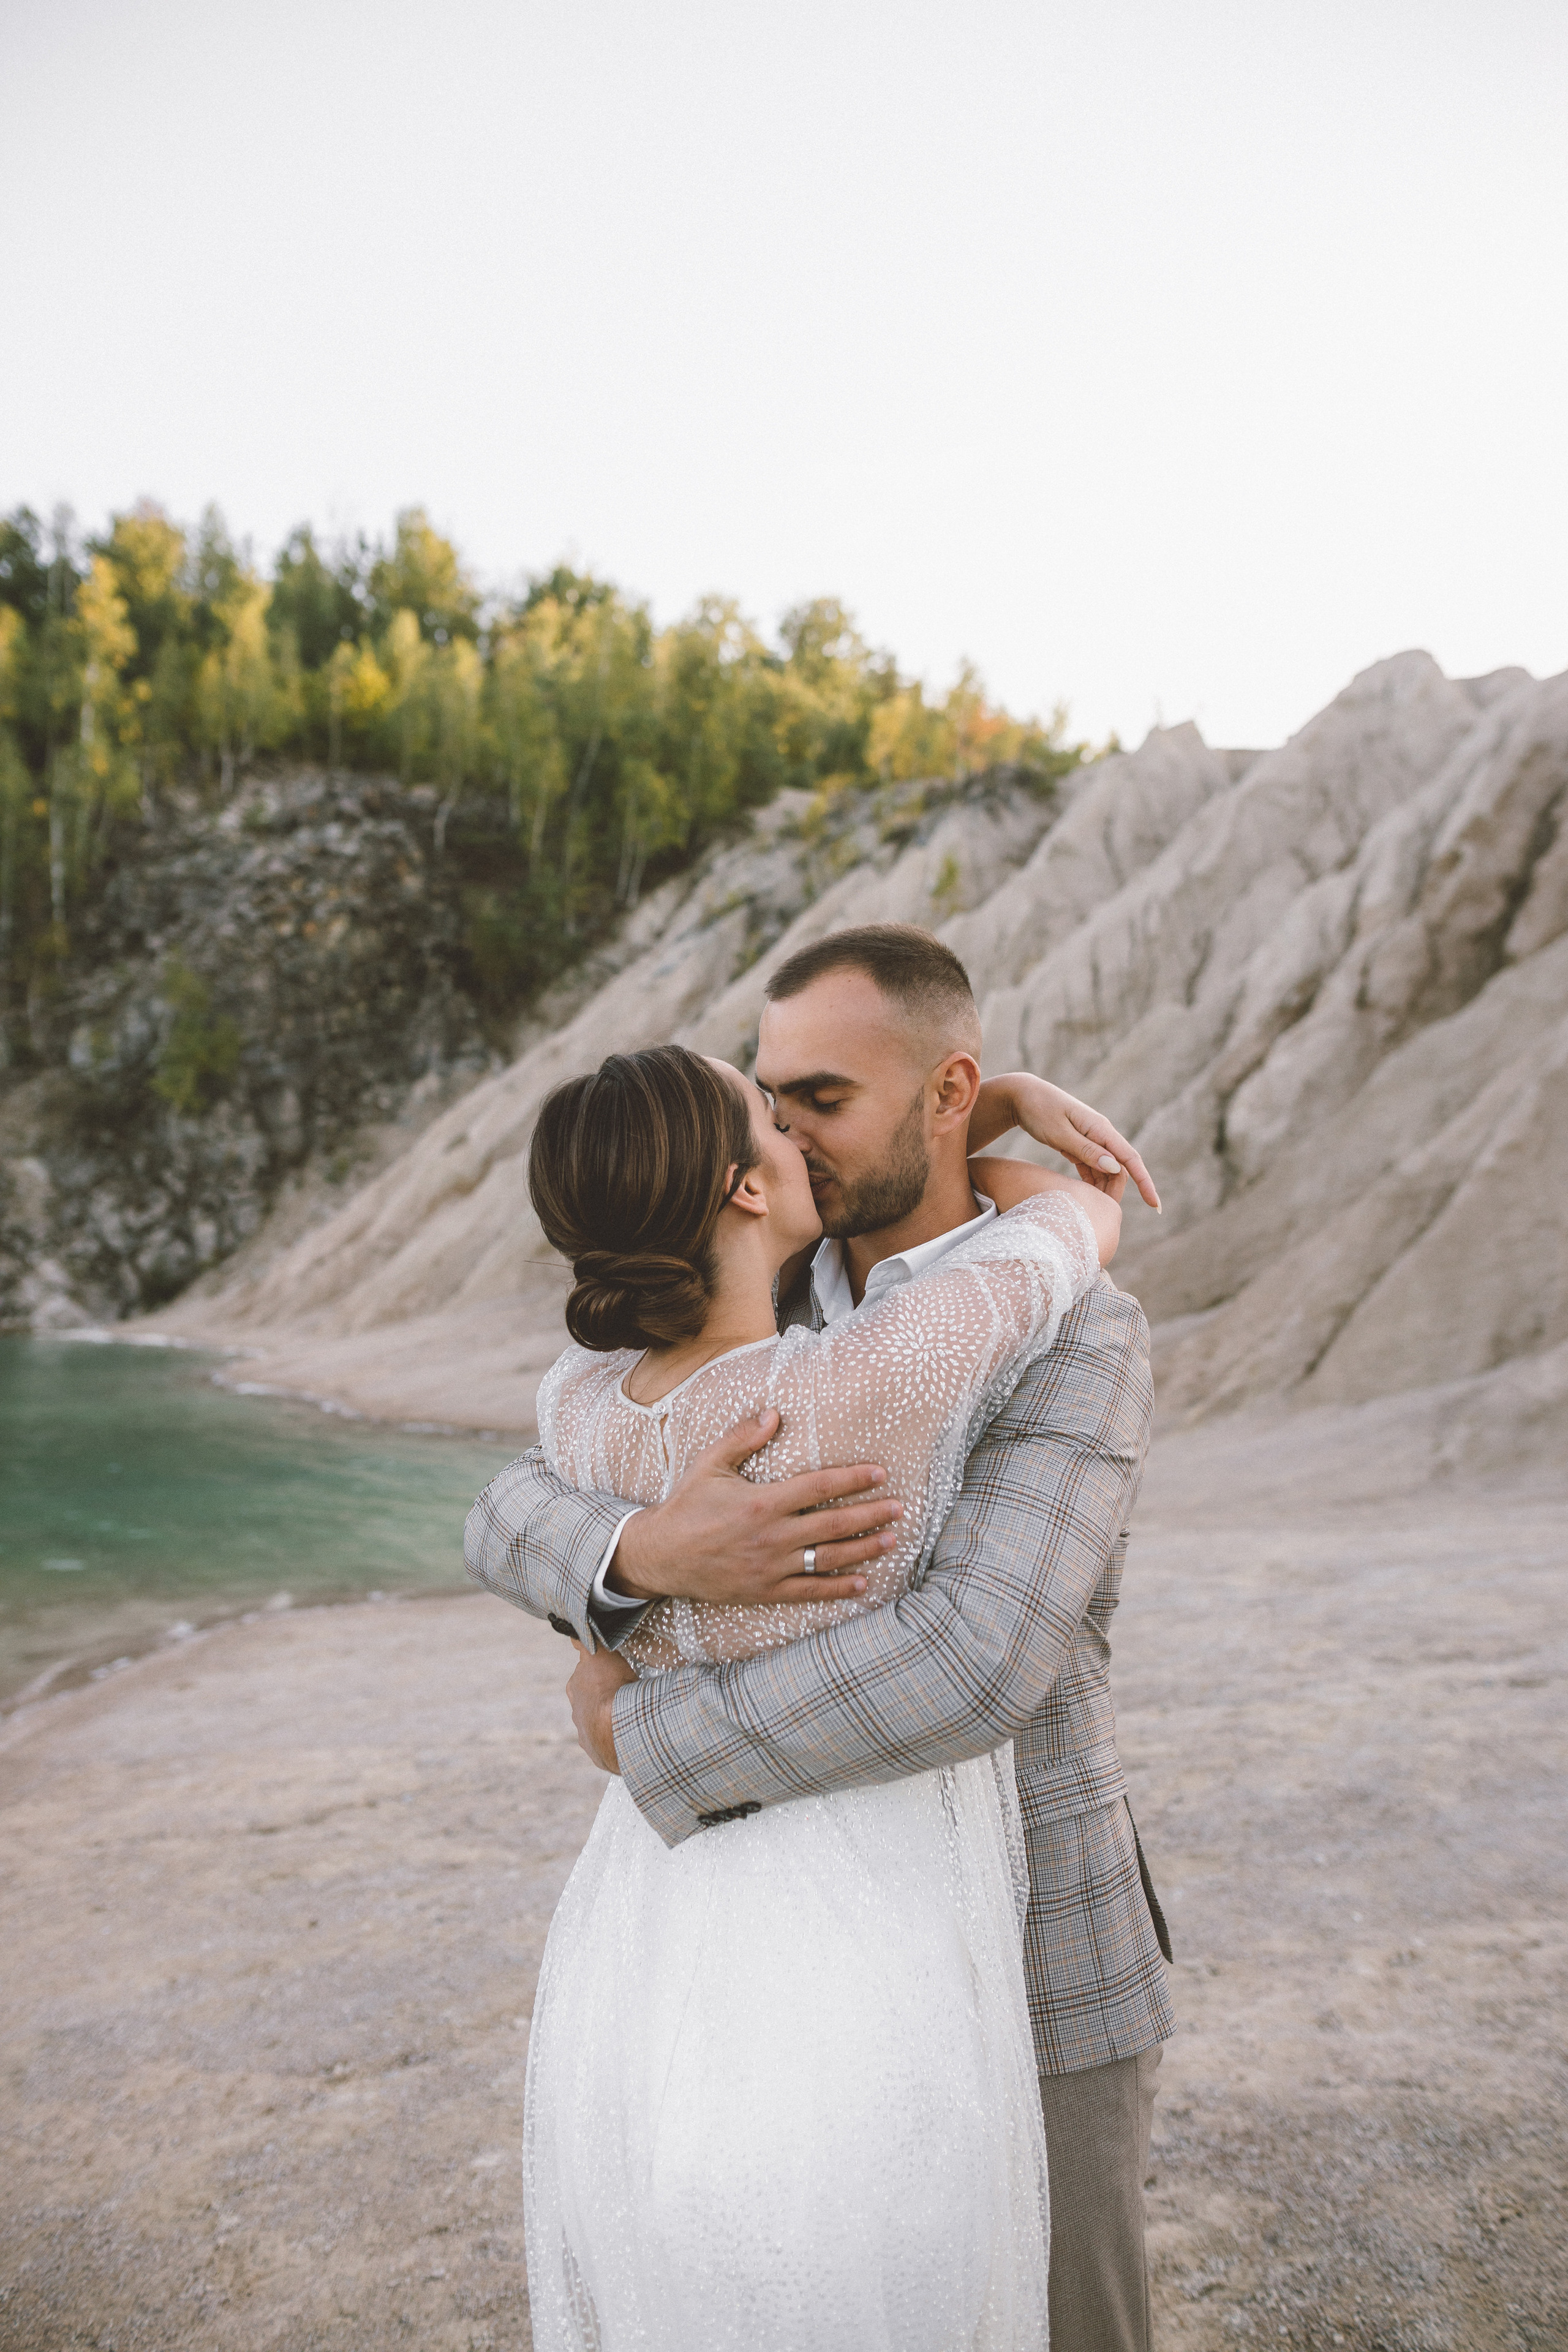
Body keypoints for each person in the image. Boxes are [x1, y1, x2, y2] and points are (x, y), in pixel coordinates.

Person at [467, 924, 1175, 2351]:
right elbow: (501, 1512)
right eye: (768, 1096)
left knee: (1060, 2322)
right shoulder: (758, 1295)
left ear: (945, 1091)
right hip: (746, 1951)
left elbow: (974, 1659)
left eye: (824, 1099)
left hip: (1031, 1945)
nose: (786, 1128)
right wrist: (636, 1553)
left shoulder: (1077, 1335)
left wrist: (636, 1728)